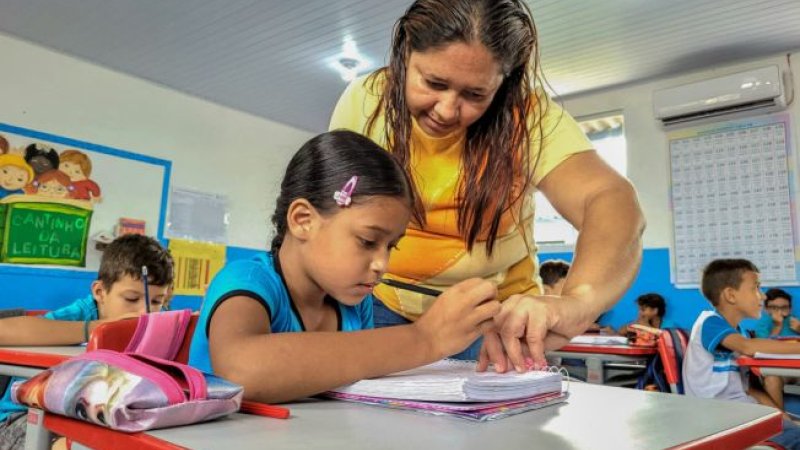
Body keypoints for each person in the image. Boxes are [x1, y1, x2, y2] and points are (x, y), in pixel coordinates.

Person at [329, 0, 644, 371]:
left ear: (503, 84)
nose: (447, 110)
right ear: (404, 53)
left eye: (475, 95)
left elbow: (611, 199)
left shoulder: (527, 117)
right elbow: (333, 214)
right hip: (379, 305)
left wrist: (578, 301)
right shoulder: (366, 100)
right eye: (433, 83)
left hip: (497, 321)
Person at [188, 130, 500, 404]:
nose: (382, 264)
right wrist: (425, 338)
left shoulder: (354, 306)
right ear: (303, 221)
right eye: (367, 241)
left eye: (391, 246)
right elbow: (243, 370)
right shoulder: (247, 281)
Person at [0, 234, 173, 449]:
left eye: (157, 302)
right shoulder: (81, 313)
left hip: (95, 418)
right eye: (131, 299)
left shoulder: (158, 326)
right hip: (23, 419)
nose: (144, 311)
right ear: (100, 292)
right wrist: (96, 329)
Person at [683, 259, 800, 449]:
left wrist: (781, 416)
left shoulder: (740, 332)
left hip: (739, 411)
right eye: (756, 288)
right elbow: (748, 347)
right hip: (716, 416)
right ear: (730, 295)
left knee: (793, 430)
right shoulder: (709, 322)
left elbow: (750, 389)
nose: (762, 297)